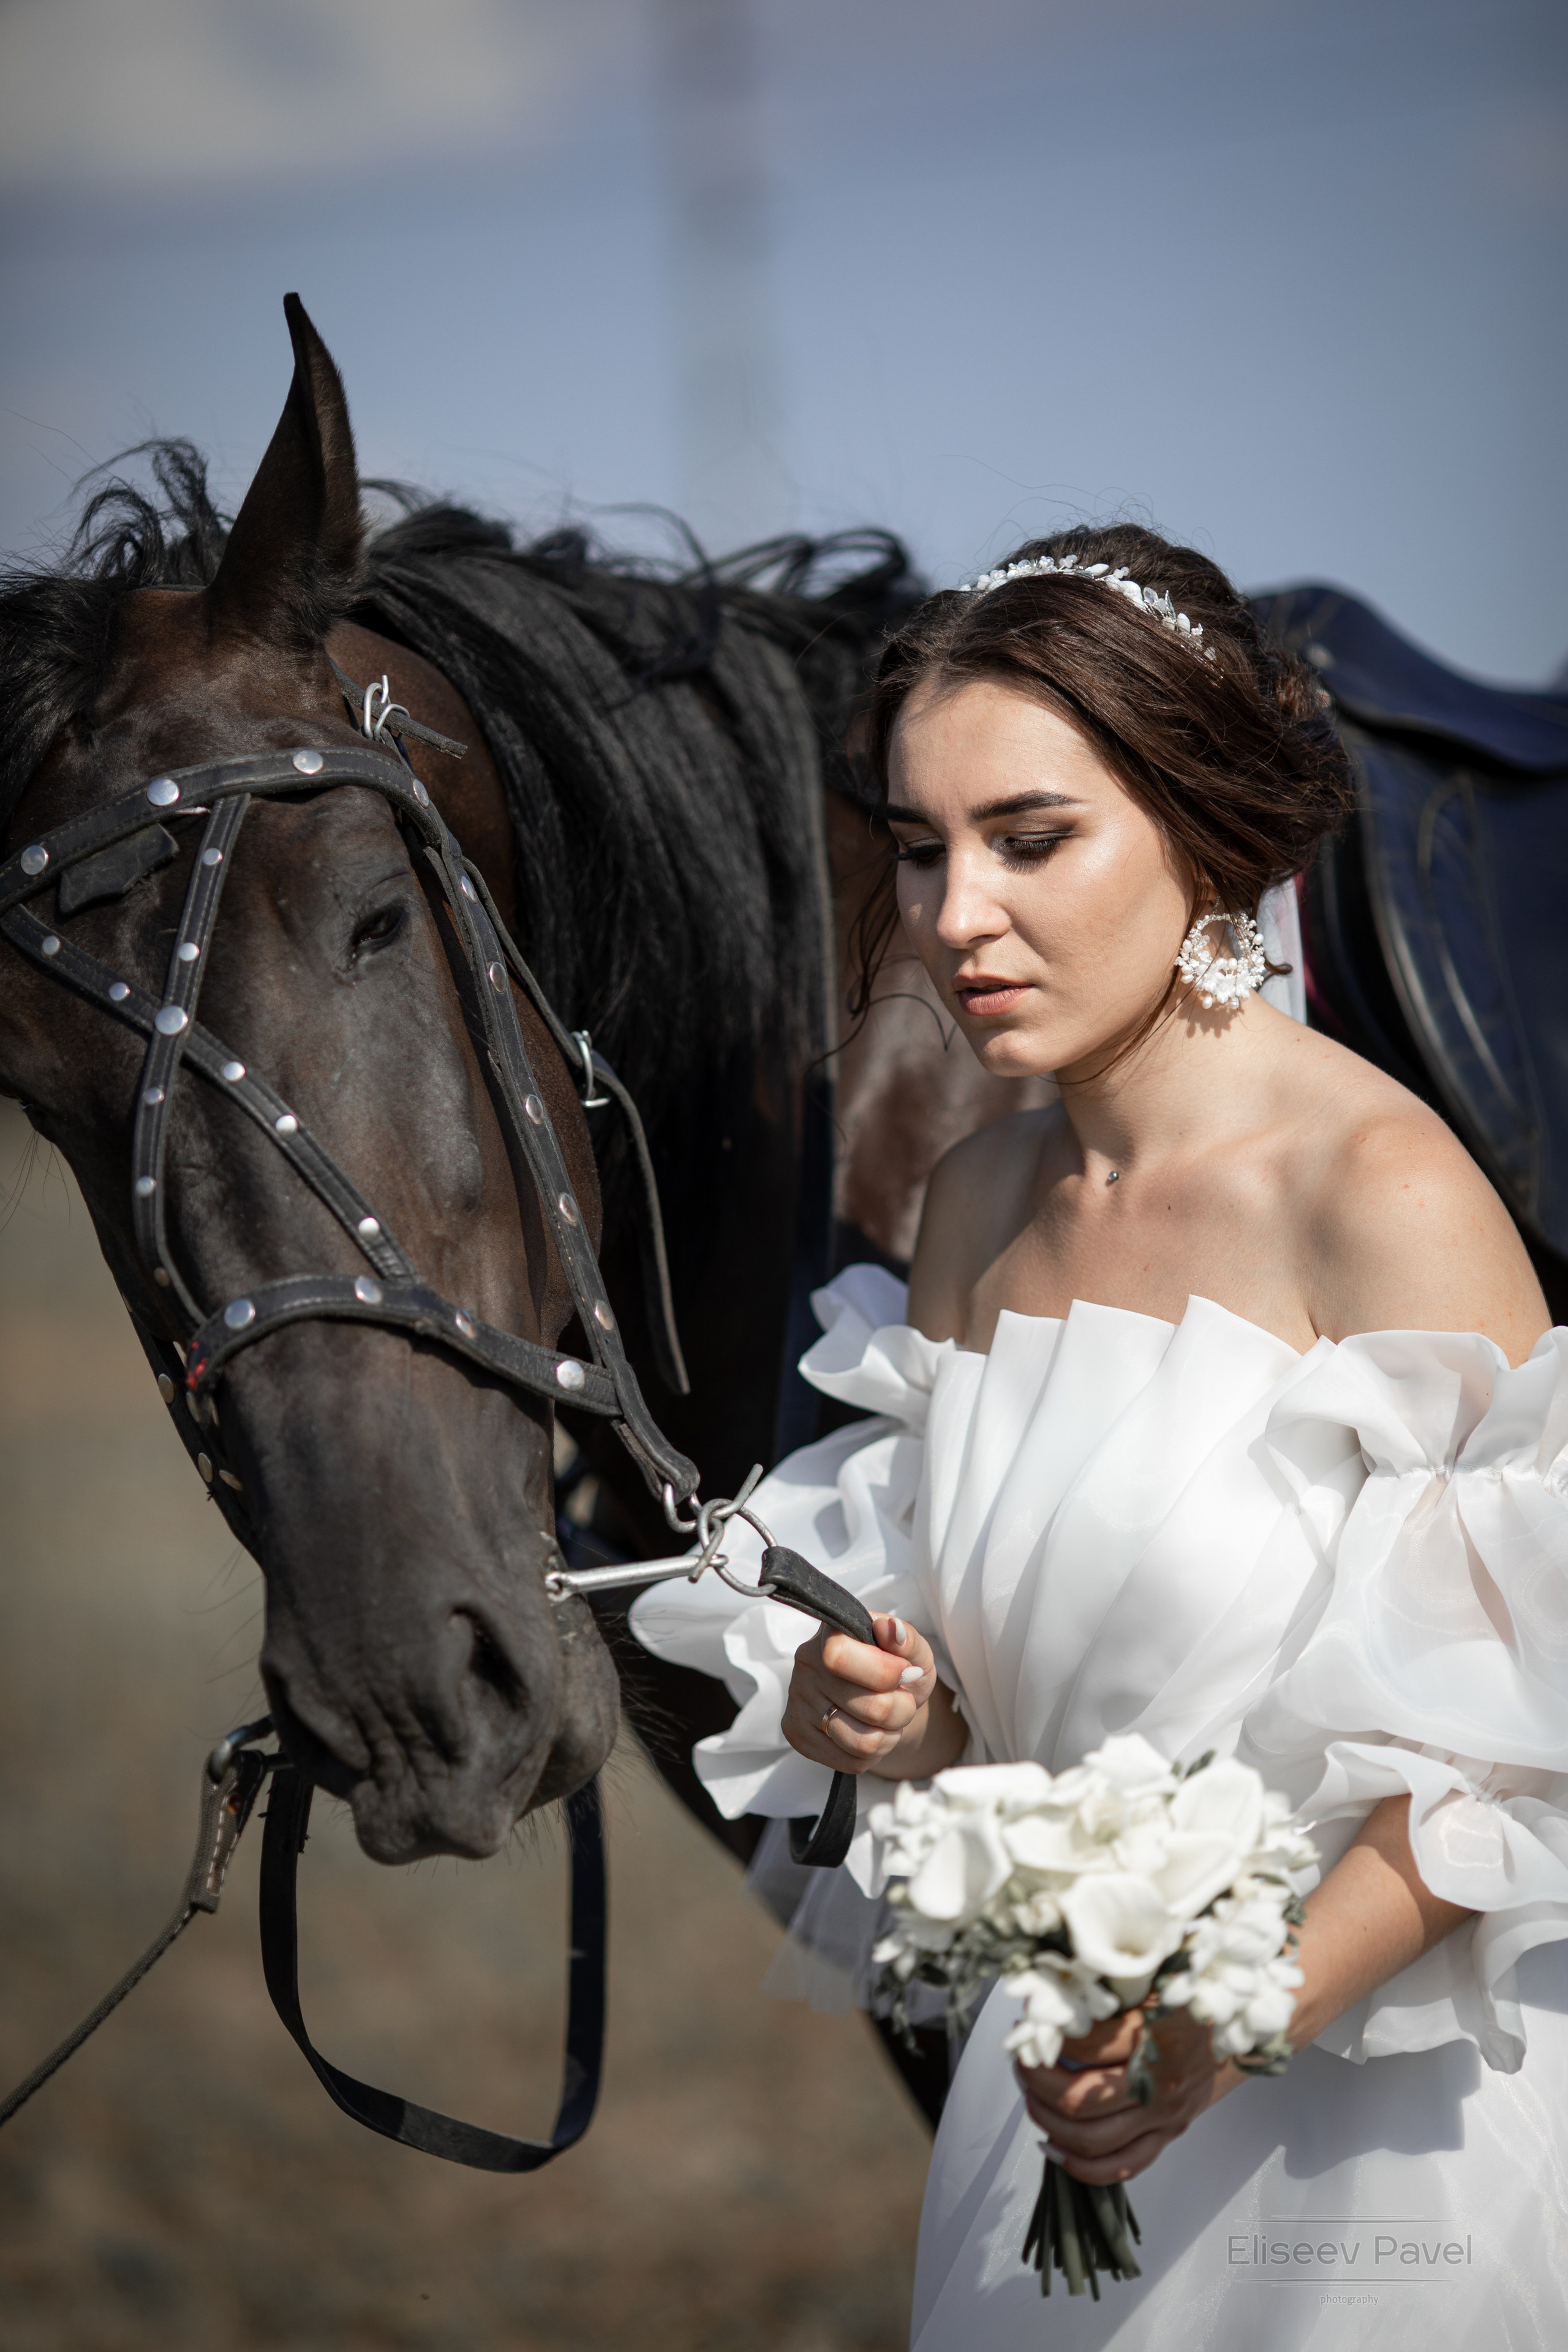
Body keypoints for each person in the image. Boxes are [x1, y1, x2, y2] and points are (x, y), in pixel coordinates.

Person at [630, 527, 1568, 2349]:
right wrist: (889, 1712)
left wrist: (1225, 2029)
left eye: (1031, 839)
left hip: (1373, 2162)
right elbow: (996, 1696)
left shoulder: (1381, 1191)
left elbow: (1525, 1746)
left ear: (1201, 830)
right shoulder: (971, 1200)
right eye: (920, 849)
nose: (955, 912)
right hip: (1046, 2118)